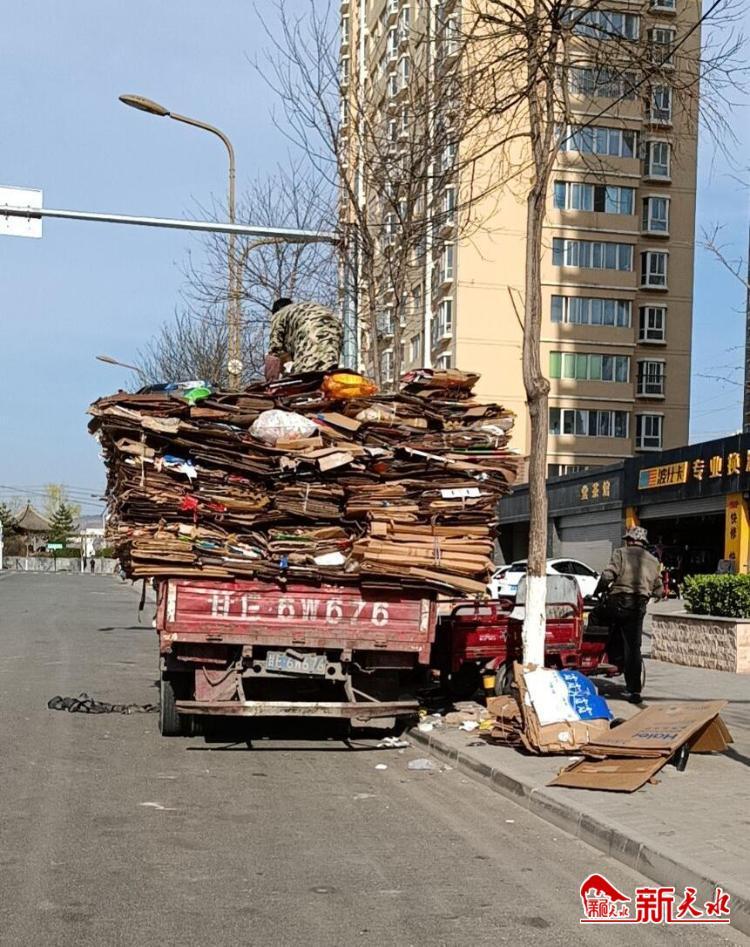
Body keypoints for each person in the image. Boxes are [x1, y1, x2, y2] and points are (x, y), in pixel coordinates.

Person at [594, 526, 663, 704]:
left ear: (630, 540)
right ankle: (634, 691)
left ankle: (595, 658)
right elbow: (659, 590)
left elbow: (607, 576)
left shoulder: (620, 553)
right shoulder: (654, 561)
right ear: (643, 542)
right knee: (633, 647)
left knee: (596, 619)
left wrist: (597, 591)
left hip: (617, 602)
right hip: (638, 607)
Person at [265, 297, 343, 382]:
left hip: (311, 329)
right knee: (328, 371)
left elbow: (275, 351)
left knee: (305, 377)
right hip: (335, 326)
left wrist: (271, 381)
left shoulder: (278, 315)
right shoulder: (300, 309)